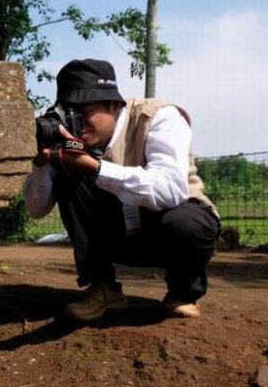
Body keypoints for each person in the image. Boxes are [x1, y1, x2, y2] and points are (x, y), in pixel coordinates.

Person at [23, 58, 220, 322]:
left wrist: (94, 167)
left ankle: (183, 293)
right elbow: (36, 209)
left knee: (186, 222)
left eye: (84, 110)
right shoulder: (73, 141)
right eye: (68, 111)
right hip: (119, 235)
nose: (75, 121)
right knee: (71, 175)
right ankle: (104, 289)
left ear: (114, 105)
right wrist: (42, 163)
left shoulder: (159, 116)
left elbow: (170, 191)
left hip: (170, 232)